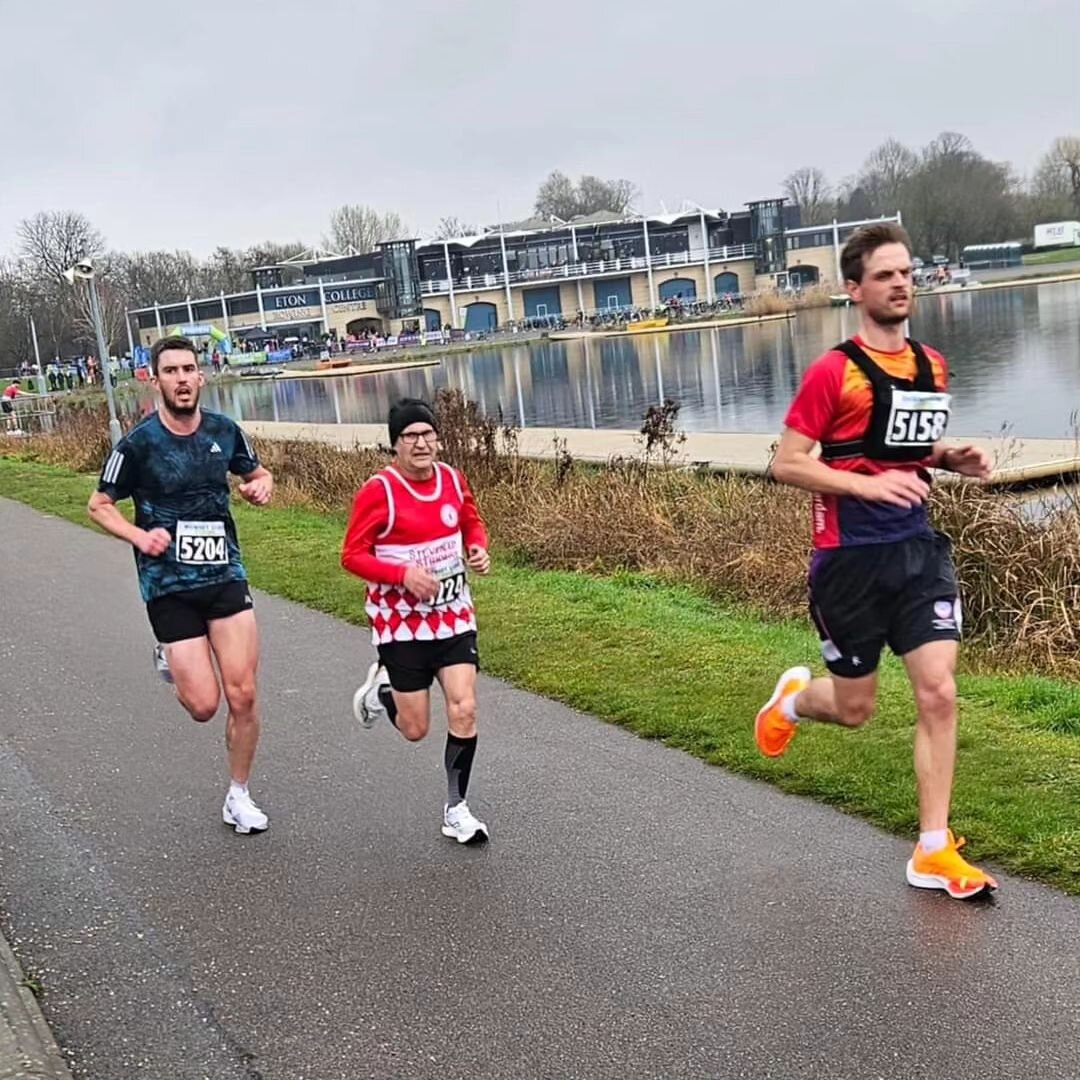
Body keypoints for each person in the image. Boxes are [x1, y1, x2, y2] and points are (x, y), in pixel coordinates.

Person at [755, 222, 997, 900]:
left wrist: (950, 457)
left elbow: (904, 448)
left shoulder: (932, 364)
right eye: (885, 275)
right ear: (854, 289)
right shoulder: (834, 372)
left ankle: (931, 849)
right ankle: (795, 703)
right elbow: (787, 464)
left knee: (939, 691)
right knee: (856, 709)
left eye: (907, 272)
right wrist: (865, 485)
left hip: (916, 550)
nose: (900, 283)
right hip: (848, 560)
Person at [87, 335, 274, 834]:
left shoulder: (224, 431)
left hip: (224, 574)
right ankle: (169, 656)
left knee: (244, 694)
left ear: (202, 375)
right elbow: (99, 505)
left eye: (189, 369)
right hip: (168, 582)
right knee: (203, 705)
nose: (183, 379)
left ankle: (239, 794)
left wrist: (259, 487)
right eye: (171, 371)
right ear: (154, 379)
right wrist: (138, 535)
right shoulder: (137, 444)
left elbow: (259, 473)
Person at [341, 398, 492, 844]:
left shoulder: (452, 480)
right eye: (411, 436)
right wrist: (402, 574)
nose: (421, 443)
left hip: (452, 615)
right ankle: (382, 692)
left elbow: (471, 522)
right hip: (401, 623)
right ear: (396, 445)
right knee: (415, 729)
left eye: (428, 434)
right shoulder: (379, 491)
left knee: (464, 707)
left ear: (439, 439)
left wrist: (477, 548)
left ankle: (456, 808)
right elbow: (352, 556)